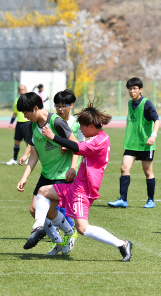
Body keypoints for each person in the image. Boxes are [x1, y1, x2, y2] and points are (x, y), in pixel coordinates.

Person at [24, 100, 133, 262]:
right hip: (75, 186)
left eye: (82, 126)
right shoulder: (100, 138)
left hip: (83, 190)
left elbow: (78, 147)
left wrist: (53, 137)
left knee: (83, 228)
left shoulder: (98, 141)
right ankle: (38, 228)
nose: (80, 128)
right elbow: (80, 146)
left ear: (91, 126)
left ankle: (122, 244)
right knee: (42, 191)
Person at [16, 92, 79, 254]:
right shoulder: (32, 125)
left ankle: (70, 232)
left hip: (61, 174)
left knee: (49, 211)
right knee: (33, 209)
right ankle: (58, 241)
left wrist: (73, 167)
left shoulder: (56, 122)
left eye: (26, 112)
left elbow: (76, 145)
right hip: (46, 174)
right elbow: (35, 155)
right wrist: (24, 178)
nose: (24, 116)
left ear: (35, 108)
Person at [108, 77, 160, 209]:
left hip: (145, 144)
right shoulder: (130, 103)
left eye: (134, 89)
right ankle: (123, 199)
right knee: (124, 168)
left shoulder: (147, 103)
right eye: (130, 89)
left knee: (148, 172)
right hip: (131, 144)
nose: (132, 91)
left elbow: (157, 120)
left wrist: (153, 135)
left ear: (140, 90)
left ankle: (150, 200)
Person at [45, 89, 85, 255]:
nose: (60, 109)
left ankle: (68, 239)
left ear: (71, 105)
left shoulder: (77, 124)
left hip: (71, 168)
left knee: (64, 205)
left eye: (63, 106)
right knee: (52, 205)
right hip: (54, 168)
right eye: (57, 106)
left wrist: (73, 166)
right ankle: (60, 241)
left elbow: (82, 147)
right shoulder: (52, 122)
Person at [6, 84, 32, 165]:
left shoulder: (29, 100)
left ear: (26, 90)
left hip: (27, 123)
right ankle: (14, 159)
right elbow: (15, 113)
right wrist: (11, 123)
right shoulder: (17, 100)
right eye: (20, 90)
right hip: (19, 124)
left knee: (28, 142)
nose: (22, 91)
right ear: (18, 91)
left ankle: (29, 158)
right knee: (16, 141)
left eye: (23, 89)